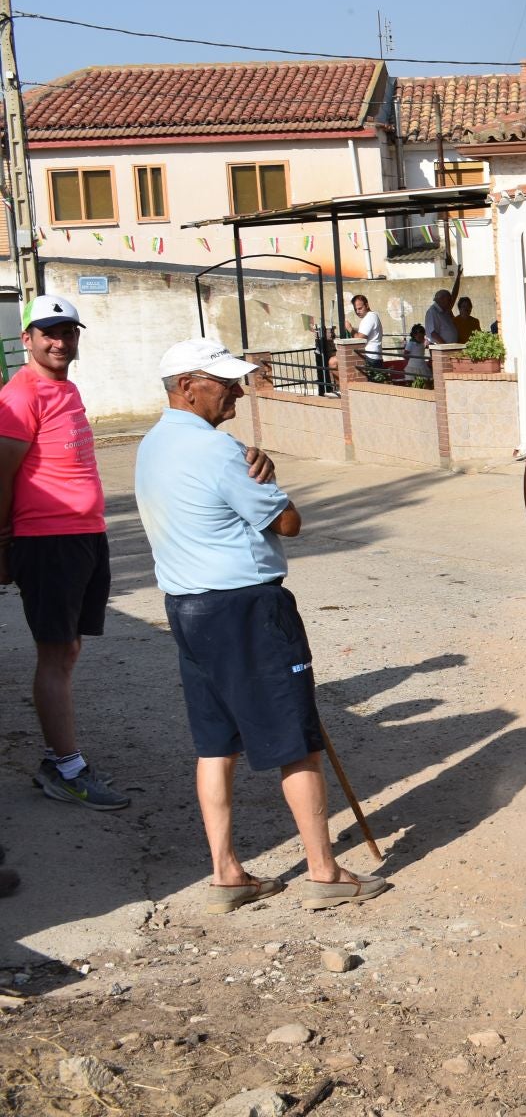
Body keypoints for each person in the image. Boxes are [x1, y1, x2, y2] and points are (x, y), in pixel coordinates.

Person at [136, 338, 389, 913]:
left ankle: (227, 873)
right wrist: (271, 478)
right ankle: (323, 873)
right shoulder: (217, 451)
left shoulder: (151, 445)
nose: (237, 391)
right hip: (245, 607)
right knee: (296, 742)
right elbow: (289, 522)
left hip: (188, 607)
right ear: (187, 386)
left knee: (215, 744)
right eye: (225, 382)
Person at [0, 295, 128, 811]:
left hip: (83, 535)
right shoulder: (20, 393)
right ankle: (65, 766)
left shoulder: (65, 388)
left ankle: (61, 759)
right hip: (46, 539)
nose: (60, 342)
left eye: (68, 332)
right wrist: (2, 545)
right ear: (27, 339)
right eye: (48, 333)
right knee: (55, 654)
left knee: (68, 648)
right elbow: (1, 473)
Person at [350, 293, 383, 364]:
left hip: (371, 357)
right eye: (355, 309)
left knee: (333, 362)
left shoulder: (369, 317)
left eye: (360, 308)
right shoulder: (371, 316)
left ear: (367, 305)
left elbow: (360, 338)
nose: (357, 311)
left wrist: (350, 329)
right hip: (373, 356)